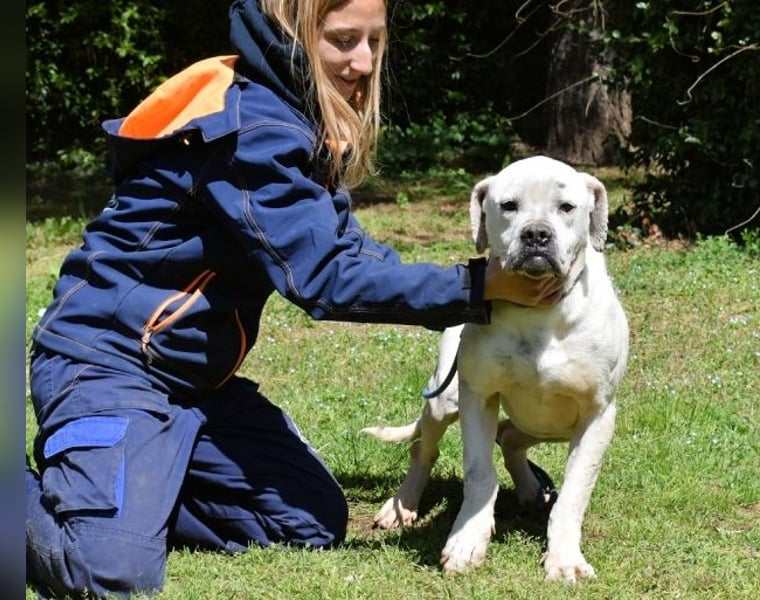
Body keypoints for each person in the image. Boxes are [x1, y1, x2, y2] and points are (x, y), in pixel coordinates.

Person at [25, 0, 564, 597]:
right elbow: (327, 279)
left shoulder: (294, 118)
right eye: (341, 40)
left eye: (374, 41)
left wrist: (476, 287)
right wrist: (479, 286)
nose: (361, 61)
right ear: (293, 32)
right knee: (109, 574)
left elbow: (350, 254)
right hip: (106, 366)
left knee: (307, 520)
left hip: (192, 388)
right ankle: (101, 504)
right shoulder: (253, 131)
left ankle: (131, 489)